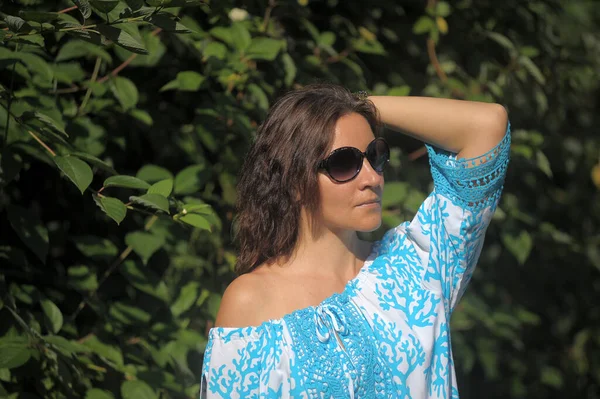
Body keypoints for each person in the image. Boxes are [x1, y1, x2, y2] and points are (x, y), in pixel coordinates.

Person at [200, 83, 510, 398]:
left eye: (375, 156)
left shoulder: (417, 268)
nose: (373, 178)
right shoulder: (251, 301)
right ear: (293, 182)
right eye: (344, 163)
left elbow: (486, 125)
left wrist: (355, 103)